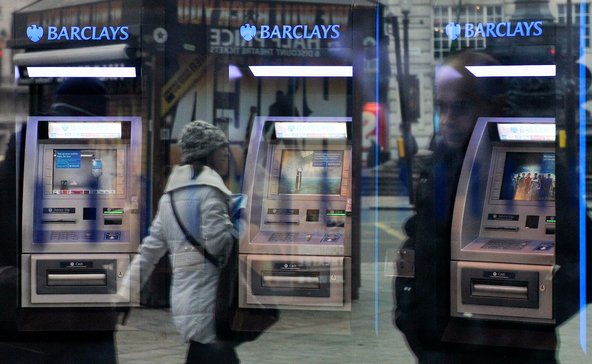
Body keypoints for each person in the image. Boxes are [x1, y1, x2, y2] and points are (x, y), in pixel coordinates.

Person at [392, 50, 557, 363]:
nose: (448, 120)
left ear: (495, 106)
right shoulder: (443, 159)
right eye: (442, 108)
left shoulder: (527, 164)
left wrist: (523, 326)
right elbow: (418, 237)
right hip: (440, 348)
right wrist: (406, 305)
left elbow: (578, 261)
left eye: (461, 108)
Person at [126, 120, 240, 364]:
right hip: (212, 302)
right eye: (222, 149)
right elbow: (220, 246)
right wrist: (238, 223)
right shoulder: (211, 192)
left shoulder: (170, 198)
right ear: (208, 153)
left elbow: (149, 251)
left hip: (185, 299)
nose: (226, 155)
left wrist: (125, 292)